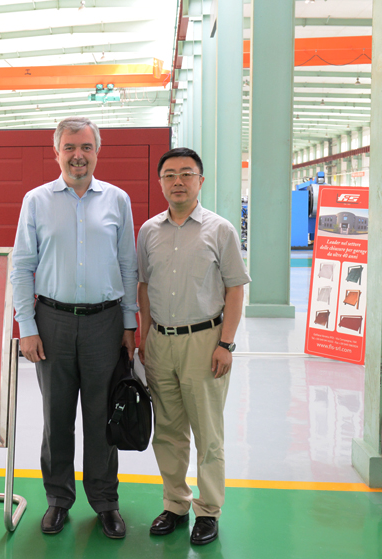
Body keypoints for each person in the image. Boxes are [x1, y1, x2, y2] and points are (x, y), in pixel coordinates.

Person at [10, 116, 138, 539]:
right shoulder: (36, 200)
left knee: (103, 419)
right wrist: (26, 326)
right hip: (52, 324)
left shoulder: (117, 200)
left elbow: (128, 265)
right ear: (57, 152)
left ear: (97, 152)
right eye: (70, 147)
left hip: (105, 323)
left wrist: (129, 322)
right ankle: (58, 500)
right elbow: (21, 266)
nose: (78, 155)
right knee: (57, 418)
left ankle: (105, 502)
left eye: (85, 147)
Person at [136, 147, 250, 546]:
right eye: (169, 175)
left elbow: (235, 289)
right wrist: (145, 337)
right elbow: (144, 286)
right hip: (160, 343)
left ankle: (208, 510)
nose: (178, 182)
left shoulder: (220, 230)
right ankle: (175, 504)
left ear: (200, 181)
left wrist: (226, 344)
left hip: (205, 342)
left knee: (208, 432)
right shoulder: (148, 231)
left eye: (186, 174)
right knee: (168, 431)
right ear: (160, 182)